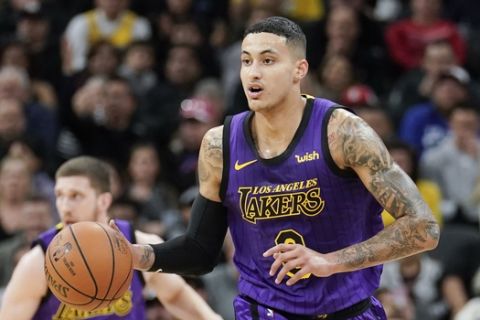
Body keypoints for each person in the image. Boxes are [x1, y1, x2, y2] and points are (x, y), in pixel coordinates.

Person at [120, 16, 440, 319]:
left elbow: (424, 228)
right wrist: (134, 256)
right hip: (264, 309)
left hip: (348, 308)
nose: (253, 72)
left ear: (299, 69)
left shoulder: (343, 133)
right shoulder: (219, 145)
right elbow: (200, 250)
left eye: (268, 60)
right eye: (246, 61)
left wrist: (329, 262)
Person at [0, 156, 222, 320]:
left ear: (104, 201)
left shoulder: (137, 244)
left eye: (76, 196)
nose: (65, 207)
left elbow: (176, 295)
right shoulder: (39, 261)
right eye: (59, 196)